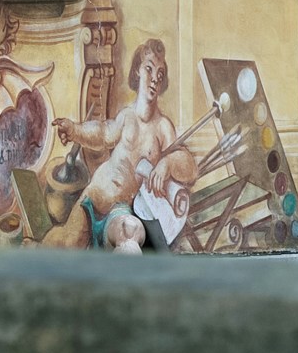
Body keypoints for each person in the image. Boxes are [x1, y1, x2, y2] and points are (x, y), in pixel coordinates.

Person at [50, 37, 195, 248]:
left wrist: (168, 163)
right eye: (149, 69)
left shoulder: (163, 127)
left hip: (121, 212)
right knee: (67, 242)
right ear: (137, 71)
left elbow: (189, 166)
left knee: (126, 244)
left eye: (160, 74)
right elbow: (102, 133)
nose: (155, 78)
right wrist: (74, 130)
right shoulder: (126, 116)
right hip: (96, 195)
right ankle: (33, 247)